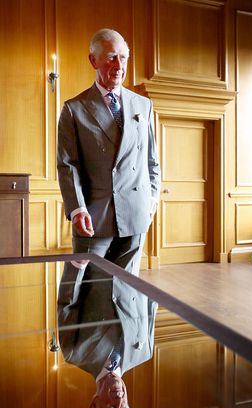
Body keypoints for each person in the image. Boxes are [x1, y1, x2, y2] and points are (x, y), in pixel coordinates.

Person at [57, 28, 160, 275]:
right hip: (93, 219)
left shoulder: (143, 105)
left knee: (128, 290)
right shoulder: (74, 109)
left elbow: (151, 161)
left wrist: (152, 196)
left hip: (136, 214)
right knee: (85, 292)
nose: (119, 65)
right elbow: (67, 164)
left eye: (123, 58)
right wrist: (77, 208)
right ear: (93, 60)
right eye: (111, 57)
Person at [57, 260, 158, 408]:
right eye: (123, 407)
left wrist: (76, 266)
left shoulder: (74, 353)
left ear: (93, 404)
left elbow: (67, 304)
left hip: (95, 257)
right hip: (132, 254)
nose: (119, 400)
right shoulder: (145, 352)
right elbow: (151, 304)